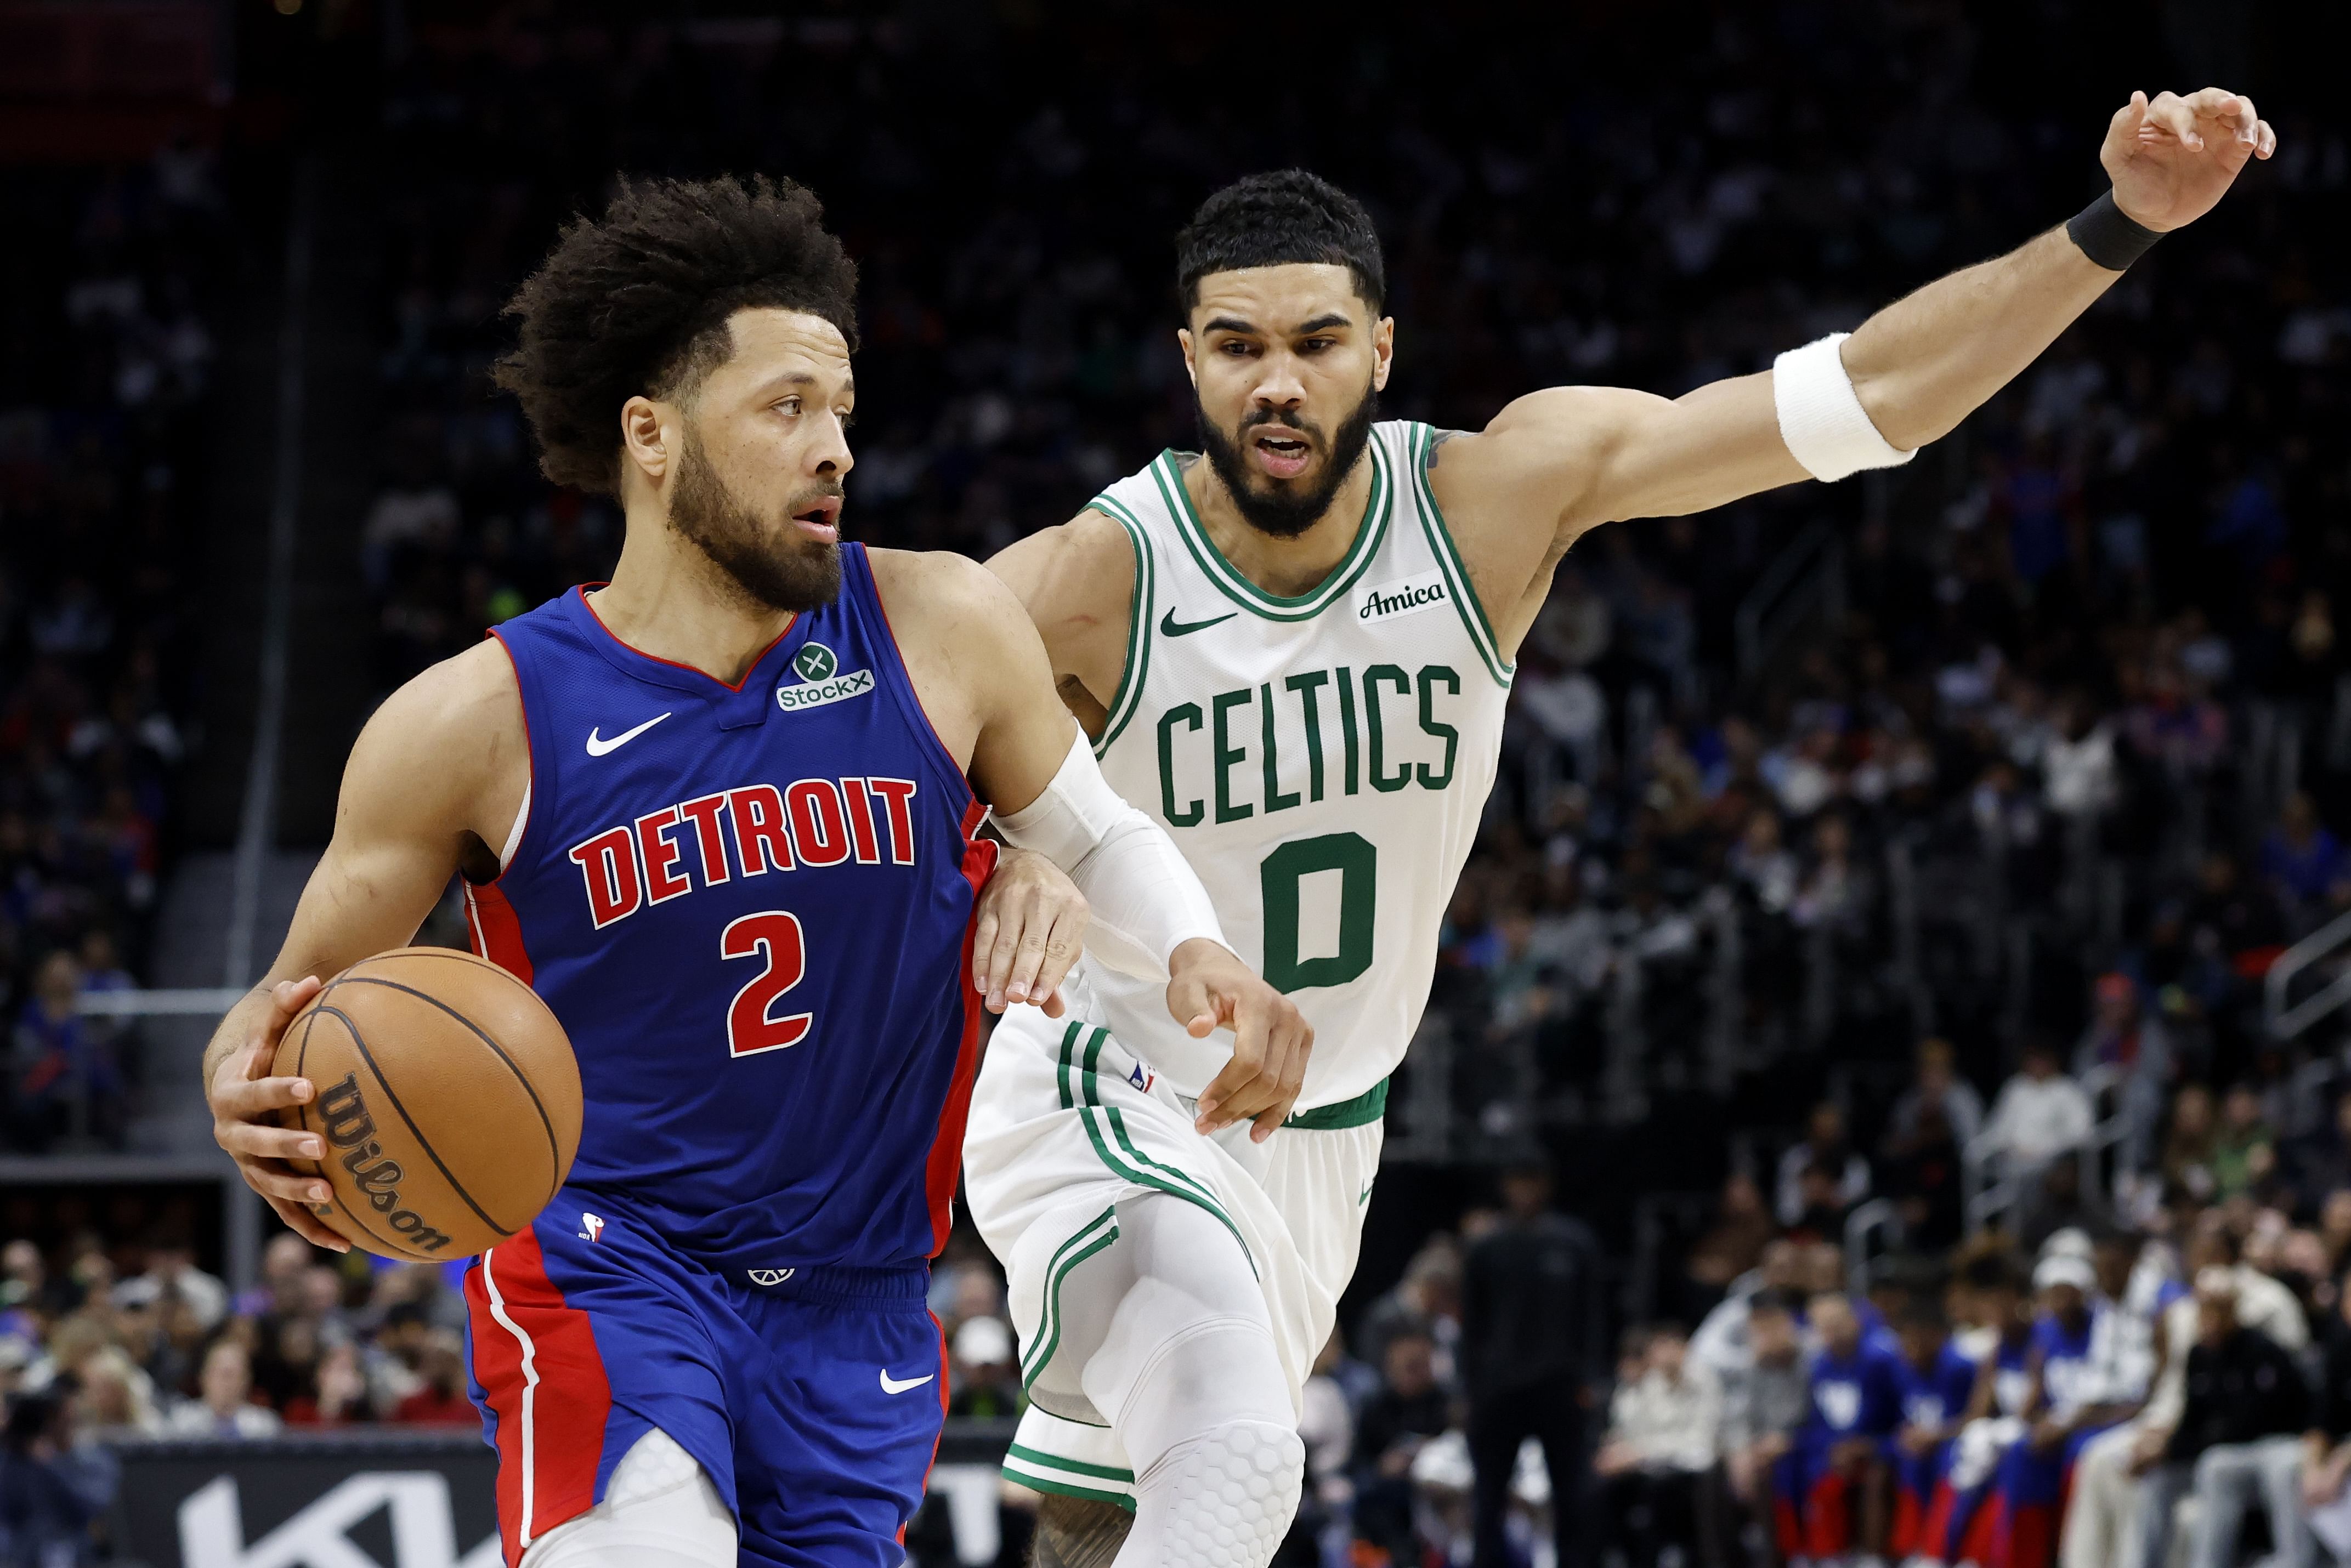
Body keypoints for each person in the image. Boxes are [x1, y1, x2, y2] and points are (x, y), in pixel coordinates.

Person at [970, 88, 2277, 1565]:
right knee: (1234, 1471)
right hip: (1112, 1078)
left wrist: (2111, 228)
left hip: (1323, 1124)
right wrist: (1014, 842)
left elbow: (1864, 399)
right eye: (1237, 346)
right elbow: (899, 749)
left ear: (1380, 351)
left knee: (1110, 1515)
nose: (1277, 383)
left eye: (1316, 342)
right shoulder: (1094, 569)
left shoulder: (1488, 500)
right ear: (1186, 359)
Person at [197, 175, 1307, 1568]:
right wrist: (240, 1076)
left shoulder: (939, 621)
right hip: (611, 1257)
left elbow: (1088, 834)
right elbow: (289, 1003)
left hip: (862, 1295)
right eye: (786, 408)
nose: (833, 445)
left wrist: (1193, 947)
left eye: (841, 409)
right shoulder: (469, 725)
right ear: (650, 435)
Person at [1458, 1162, 1608, 1568]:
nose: (1524, 1191)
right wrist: (1468, 1391)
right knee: (1489, 1495)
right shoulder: (1486, 1247)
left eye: (1532, 1181)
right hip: (1499, 1392)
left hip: (1560, 1389)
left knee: (1572, 1493)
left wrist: (1592, 1380)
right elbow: (1471, 1325)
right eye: (1517, 1181)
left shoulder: (1574, 1243)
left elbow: (1593, 1317)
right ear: (1505, 1185)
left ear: (1545, 1185)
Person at [2131, 1269, 2310, 1568]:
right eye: (2205, 1310)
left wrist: (2172, 1449)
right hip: (2213, 1449)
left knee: (2217, 1466)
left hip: (2265, 1446)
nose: (2210, 1320)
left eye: (2219, 1310)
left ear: (2233, 1311)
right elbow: (2192, 1420)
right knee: (2157, 1477)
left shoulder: (2262, 1351)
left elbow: (2247, 1425)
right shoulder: (2198, 1356)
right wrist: (2161, 1448)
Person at [1775, 1291, 1903, 1562]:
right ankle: (1816, 1552)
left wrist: (1868, 1445)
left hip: (1878, 1446)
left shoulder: (1882, 1360)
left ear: (1855, 1321)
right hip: (1834, 1450)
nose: (1831, 1332)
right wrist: (1831, 1448)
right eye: (1823, 1326)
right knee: (1792, 1461)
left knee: (1874, 1474)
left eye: (1837, 1323)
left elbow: (1902, 1415)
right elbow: (1817, 1422)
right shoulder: (1819, 1366)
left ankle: (1874, 1555)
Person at [1594, 1323, 1718, 1568]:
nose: (1662, 1355)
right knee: (1603, 1489)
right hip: (1655, 1466)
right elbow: (1641, 1433)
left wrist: (1641, 1453)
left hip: (1696, 1467)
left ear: (1684, 1348)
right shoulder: (1652, 1383)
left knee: (1660, 1490)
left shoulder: (1705, 1379)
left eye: (1669, 1346)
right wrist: (1621, 1449)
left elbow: (1702, 1440)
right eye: (1658, 1348)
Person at [1885, 1298, 1976, 1561]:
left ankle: (1942, 1551)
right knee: (1904, 1457)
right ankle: (1914, 1547)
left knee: (1948, 1461)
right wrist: (1907, 1434)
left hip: (1956, 1442)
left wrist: (1935, 1435)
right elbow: (1901, 1416)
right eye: (1903, 1339)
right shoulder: (1901, 1368)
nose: (1908, 1347)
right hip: (1923, 1444)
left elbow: (1974, 1418)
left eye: (1915, 1339)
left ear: (1937, 1336)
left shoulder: (1959, 1367)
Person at [1980, 1039, 2096, 1174]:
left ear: (2053, 1061)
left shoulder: (2069, 1090)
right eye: (2032, 1059)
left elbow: (2081, 1133)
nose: (2037, 1064)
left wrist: (2043, 1151)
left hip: (2053, 1165)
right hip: (2012, 1163)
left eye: (2041, 1059)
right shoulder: (2015, 1088)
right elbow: (1999, 1129)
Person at [165, 1339, 281, 1439]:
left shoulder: (265, 1426)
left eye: (234, 1375)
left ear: (247, 1380)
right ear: (204, 1378)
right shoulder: (181, 1423)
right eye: (222, 1374)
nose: (228, 1383)